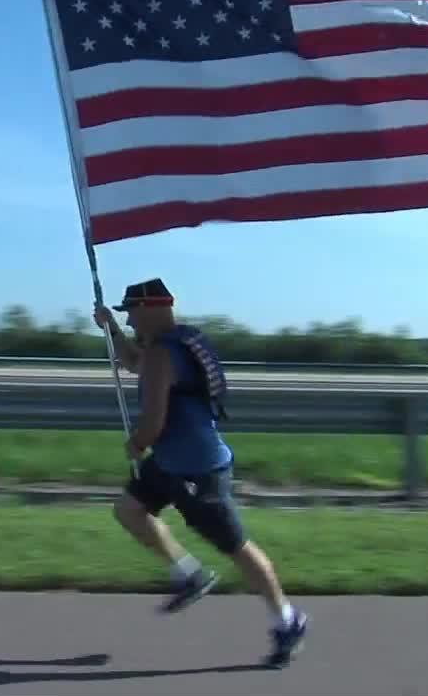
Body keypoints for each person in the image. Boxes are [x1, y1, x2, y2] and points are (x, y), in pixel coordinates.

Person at [92, 278, 307, 669]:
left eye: (132, 314)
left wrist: (137, 443)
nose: (133, 321)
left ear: (152, 308)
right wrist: (112, 328)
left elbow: (154, 420)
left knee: (237, 549)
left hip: (198, 470)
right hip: (172, 462)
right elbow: (132, 362)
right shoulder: (171, 345)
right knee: (128, 510)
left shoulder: (164, 353)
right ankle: (187, 574)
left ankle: (288, 620)